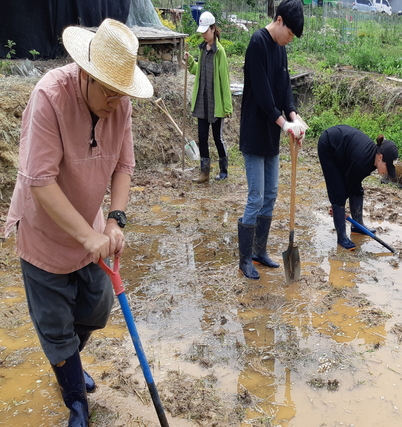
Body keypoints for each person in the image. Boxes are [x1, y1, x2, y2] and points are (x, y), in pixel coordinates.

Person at [3, 19, 153, 427]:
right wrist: (87, 235)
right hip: (45, 232)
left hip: (91, 230)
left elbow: (123, 165)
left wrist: (115, 221)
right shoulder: (50, 97)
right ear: (86, 74)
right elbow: (40, 181)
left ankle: (68, 363)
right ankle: (75, 401)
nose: (115, 102)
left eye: (121, 93)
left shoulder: (119, 104)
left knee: (96, 308)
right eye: (108, 90)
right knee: (55, 325)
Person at [237, 0, 306, 280]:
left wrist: (294, 117)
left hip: (271, 136)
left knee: (272, 194)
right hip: (255, 133)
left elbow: (284, 89)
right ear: (278, 21)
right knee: (256, 197)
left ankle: (259, 250)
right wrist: (284, 125)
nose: (289, 40)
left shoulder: (281, 50)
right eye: (289, 34)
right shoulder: (258, 43)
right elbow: (265, 94)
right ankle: (244, 259)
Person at [318, 125, 398, 250]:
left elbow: (353, 183)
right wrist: (338, 208)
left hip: (344, 151)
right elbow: (345, 185)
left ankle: (357, 225)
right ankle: (342, 238)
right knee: (338, 193)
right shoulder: (363, 160)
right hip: (329, 145)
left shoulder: (372, 158)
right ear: (380, 157)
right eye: (387, 167)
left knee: (356, 188)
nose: (387, 171)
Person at [185, 11, 233, 183]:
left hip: (216, 102)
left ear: (213, 29)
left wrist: (227, 107)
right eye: (202, 31)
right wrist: (190, 62)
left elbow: (225, 80)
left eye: (206, 31)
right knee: (202, 137)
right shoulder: (202, 50)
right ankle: (204, 173)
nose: (204, 34)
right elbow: (199, 71)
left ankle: (223, 170)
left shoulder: (219, 52)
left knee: (217, 138)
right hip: (202, 100)